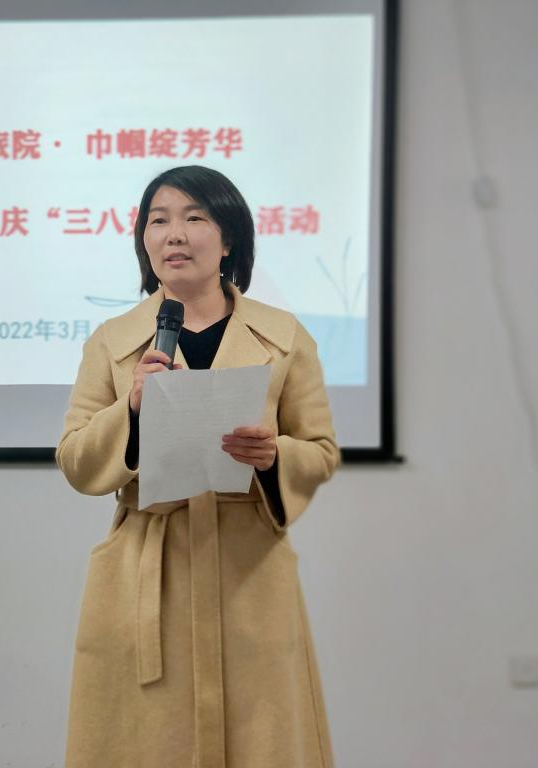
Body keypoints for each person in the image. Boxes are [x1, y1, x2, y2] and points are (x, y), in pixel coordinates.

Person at [56, 165, 340, 768]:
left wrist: (274, 457)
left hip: (248, 570)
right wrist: (131, 412)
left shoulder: (284, 336)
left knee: (262, 740)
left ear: (228, 238)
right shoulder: (113, 341)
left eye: (194, 218)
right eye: (158, 221)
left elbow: (319, 450)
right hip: (145, 569)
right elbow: (76, 462)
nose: (174, 234)